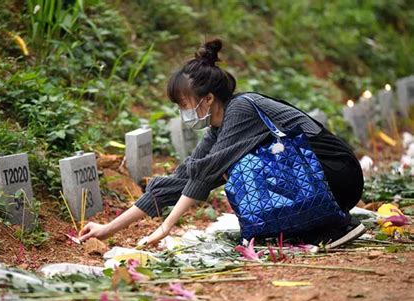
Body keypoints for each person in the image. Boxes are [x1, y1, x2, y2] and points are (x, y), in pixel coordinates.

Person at [78, 39, 366, 248]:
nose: (183, 111)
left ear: (208, 99)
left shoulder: (242, 110)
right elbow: (185, 177)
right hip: (321, 179)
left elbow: (207, 174)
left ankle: (329, 225)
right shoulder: (218, 129)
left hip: (337, 175)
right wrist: (107, 229)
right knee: (227, 166)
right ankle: (310, 224)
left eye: (184, 103)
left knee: (239, 168)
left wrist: (166, 227)